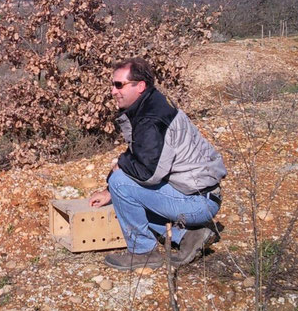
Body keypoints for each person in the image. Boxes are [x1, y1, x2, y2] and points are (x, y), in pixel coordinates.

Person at [89, 57, 227, 270]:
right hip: (199, 195)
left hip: (198, 201)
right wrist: (109, 192)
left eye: (119, 85)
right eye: (112, 84)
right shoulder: (150, 105)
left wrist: (119, 167)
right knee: (121, 188)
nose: (113, 91)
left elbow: (147, 173)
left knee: (121, 182)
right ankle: (190, 235)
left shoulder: (151, 119)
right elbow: (142, 154)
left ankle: (142, 252)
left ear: (140, 86)